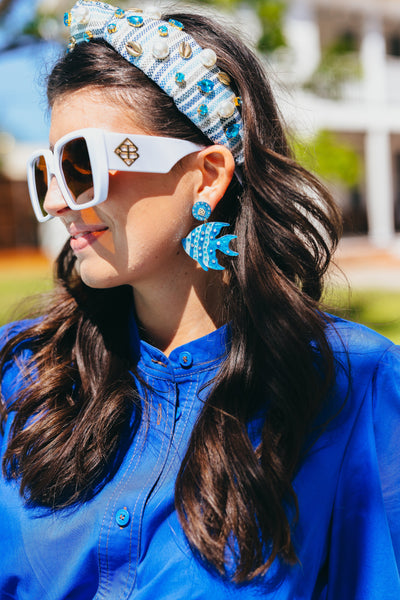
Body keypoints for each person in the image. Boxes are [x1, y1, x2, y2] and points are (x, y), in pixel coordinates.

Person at [0, 1, 400, 598]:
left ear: (208, 175)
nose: (57, 199)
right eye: (46, 172)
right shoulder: (20, 375)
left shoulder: (348, 383)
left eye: (81, 162)